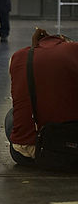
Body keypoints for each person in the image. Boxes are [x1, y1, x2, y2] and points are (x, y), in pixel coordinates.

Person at [6, 28, 78, 165]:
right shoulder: (73, 50)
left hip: (28, 154)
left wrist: (34, 48)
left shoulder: (18, 56)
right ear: (65, 42)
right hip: (72, 149)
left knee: (11, 116)